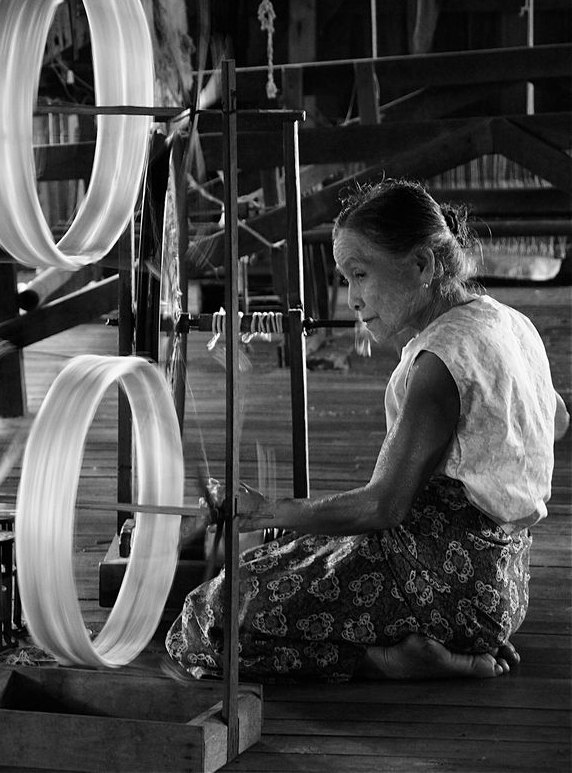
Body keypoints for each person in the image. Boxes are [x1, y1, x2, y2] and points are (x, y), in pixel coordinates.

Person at [166, 178, 569, 681]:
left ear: (422, 265)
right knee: (288, 554)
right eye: (345, 278)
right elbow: (556, 421)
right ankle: (440, 643)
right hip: (502, 585)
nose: (352, 298)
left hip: (440, 586)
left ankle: (391, 661)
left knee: (211, 619)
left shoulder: (438, 363)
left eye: (360, 274)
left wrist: (269, 509)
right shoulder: (508, 322)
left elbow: (384, 506)